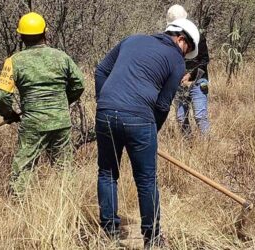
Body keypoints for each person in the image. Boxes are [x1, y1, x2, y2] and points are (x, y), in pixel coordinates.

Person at [94, 18, 199, 248]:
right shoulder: (176, 61)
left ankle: (110, 233)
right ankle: (152, 239)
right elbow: (162, 106)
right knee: (146, 181)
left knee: (107, 173)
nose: (184, 56)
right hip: (139, 119)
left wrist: (104, 102)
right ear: (181, 39)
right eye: (187, 50)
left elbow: (101, 70)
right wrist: (152, 132)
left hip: (105, 113)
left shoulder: (132, 40)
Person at [0, 12, 85, 196]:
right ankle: (70, 206)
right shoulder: (62, 57)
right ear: (45, 33)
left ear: (21, 36)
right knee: (64, 168)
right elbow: (79, 84)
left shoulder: (14, 61)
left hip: (33, 123)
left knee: (23, 169)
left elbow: (3, 95)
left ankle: (18, 208)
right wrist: (60, 102)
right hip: (60, 121)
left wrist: (9, 114)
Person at [167, 5, 211, 137]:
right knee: (181, 118)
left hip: (198, 81)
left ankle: (207, 146)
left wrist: (190, 75)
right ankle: (188, 146)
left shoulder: (198, 36)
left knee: (200, 116)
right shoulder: (170, 38)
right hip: (179, 83)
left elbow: (204, 61)